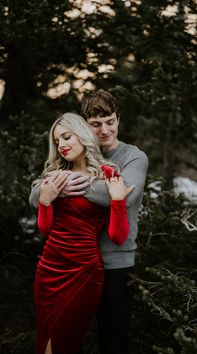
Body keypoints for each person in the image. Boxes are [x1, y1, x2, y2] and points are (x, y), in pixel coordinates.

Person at [29, 91, 149, 354]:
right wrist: (53, 188)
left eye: (110, 121)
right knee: (64, 340)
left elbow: (121, 195)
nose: (105, 130)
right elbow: (36, 194)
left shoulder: (133, 157)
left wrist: (69, 183)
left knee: (112, 341)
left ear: (118, 120)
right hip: (69, 263)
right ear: (84, 125)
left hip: (116, 262)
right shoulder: (69, 157)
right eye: (96, 124)